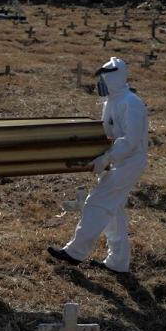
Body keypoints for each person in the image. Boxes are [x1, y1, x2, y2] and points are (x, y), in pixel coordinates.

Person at [48, 57, 148, 274]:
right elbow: (107, 134)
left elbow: (129, 142)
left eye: (103, 79)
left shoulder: (131, 103)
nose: (99, 84)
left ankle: (75, 252)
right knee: (113, 211)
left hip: (129, 163)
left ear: (113, 78)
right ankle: (118, 262)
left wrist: (106, 159)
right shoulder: (111, 102)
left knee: (96, 203)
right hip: (117, 162)